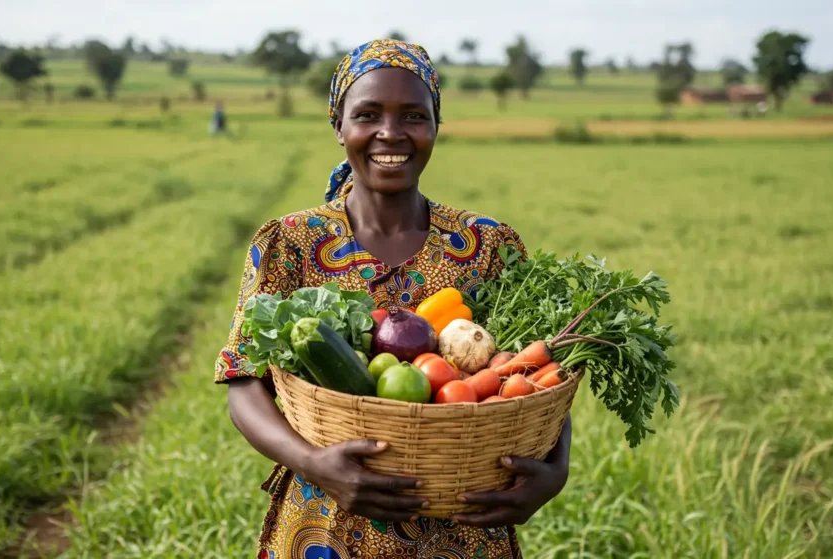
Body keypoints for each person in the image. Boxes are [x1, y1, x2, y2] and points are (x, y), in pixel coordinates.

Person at [216, 38, 572, 558]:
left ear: (435, 125)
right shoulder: (290, 242)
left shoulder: (488, 244)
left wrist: (555, 473)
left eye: (412, 114)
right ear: (339, 126)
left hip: (465, 526)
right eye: (367, 114)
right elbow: (243, 384)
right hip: (326, 524)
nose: (391, 133)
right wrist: (315, 465)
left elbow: (540, 378)